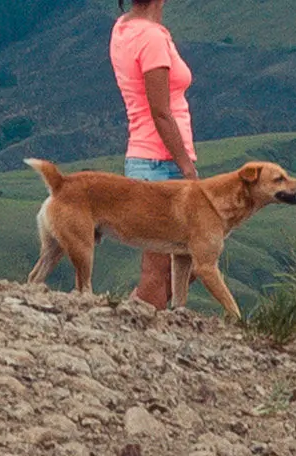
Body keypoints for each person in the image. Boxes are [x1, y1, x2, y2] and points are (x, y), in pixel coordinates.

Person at [110, 0, 197, 309]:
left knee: (187, 260)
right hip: (163, 163)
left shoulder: (124, 28)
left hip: (144, 158)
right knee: (158, 272)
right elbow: (160, 112)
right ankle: (140, 331)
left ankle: (134, 316)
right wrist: (186, 166)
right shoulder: (152, 38)